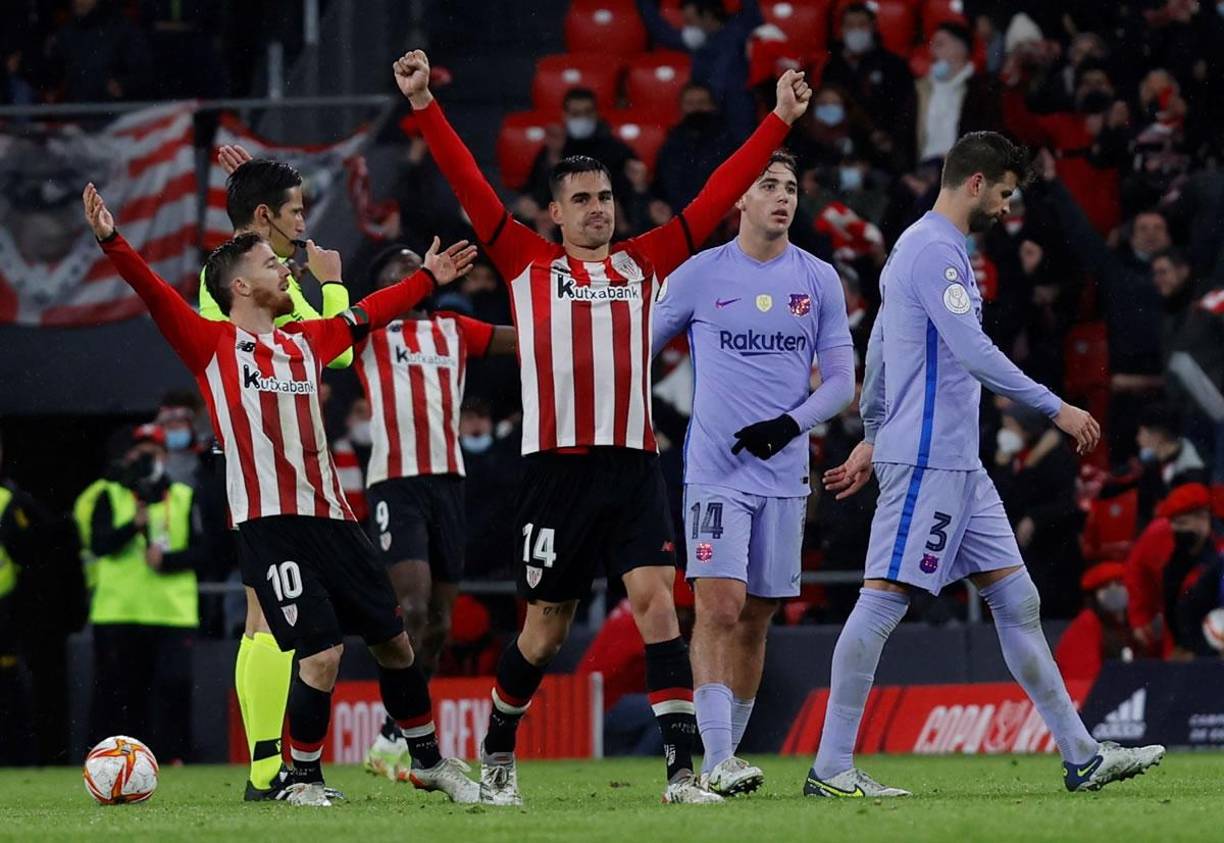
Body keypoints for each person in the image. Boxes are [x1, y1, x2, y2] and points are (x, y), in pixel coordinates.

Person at [394, 47, 811, 805]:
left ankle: (682, 773)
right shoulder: (524, 262)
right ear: (554, 211)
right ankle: (498, 750)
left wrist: (778, 117)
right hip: (555, 472)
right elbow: (471, 185)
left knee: (656, 602)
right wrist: (425, 104)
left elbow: (718, 194)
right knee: (542, 633)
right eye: (582, 198)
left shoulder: (643, 264)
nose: (597, 209)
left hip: (630, 466)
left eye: (605, 196)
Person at [82, 182, 479, 807]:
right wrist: (112, 239)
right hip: (271, 526)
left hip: (335, 519)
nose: (282, 266)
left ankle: (428, 762)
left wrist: (427, 278)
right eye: (270, 264)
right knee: (319, 654)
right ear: (239, 287)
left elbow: (368, 314)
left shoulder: (307, 342)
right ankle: (300, 778)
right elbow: (153, 294)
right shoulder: (212, 347)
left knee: (395, 643)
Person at [810, 132, 1163, 798]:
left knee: (1017, 599)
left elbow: (882, 347)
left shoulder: (916, 248)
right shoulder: (938, 251)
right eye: (1003, 193)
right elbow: (970, 349)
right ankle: (830, 765)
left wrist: (870, 433)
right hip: (927, 458)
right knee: (883, 599)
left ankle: (1082, 754)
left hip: (956, 463)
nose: (1006, 207)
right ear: (976, 183)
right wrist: (1054, 405)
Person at [651, 149, 854, 795]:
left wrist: (788, 425)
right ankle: (714, 758)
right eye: (768, 184)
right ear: (739, 197)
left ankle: (727, 757)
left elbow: (844, 382)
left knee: (759, 613)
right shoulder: (699, 274)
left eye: (791, 186)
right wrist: (645, 418)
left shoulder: (818, 278)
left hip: (786, 470)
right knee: (719, 605)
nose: (782, 196)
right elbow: (632, 353)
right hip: (714, 468)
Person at [202, 149, 357, 799]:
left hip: (277, 466)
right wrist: (333, 281)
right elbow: (340, 350)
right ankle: (268, 767)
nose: (304, 222)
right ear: (265, 217)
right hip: (260, 466)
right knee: (268, 616)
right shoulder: (254, 283)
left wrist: (252, 187)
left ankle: (270, 763)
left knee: (267, 616)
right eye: (295, 210)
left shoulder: (252, 271)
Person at [354, 244, 515, 782]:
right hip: (395, 483)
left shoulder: (454, 328)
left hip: (449, 483)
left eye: (415, 263)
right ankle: (393, 734)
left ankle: (397, 737)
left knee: (441, 624)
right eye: (400, 268)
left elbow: (522, 342)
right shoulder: (368, 333)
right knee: (413, 607)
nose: (413, 269)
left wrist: (573, 318)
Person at [74, 424, 205, 764]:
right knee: (116, 693)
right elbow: (98, 543)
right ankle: (106, 760)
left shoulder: (183, 496)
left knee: (171, 689)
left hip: (170, 611)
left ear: (165, 457)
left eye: (154, 452)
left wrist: (169, 560)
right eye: (140, 451)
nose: (146, 459)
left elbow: (209, 552)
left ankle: (172, 757)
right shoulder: (111, 493)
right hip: (120, 610)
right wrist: (132, 524)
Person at [991, 402, 1085, 619]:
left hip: (1054, 549)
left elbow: (1066, 504)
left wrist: (1034, 518)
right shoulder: (1011, 456)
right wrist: (1004, 467)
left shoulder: (1055, 455)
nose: (1006, 433)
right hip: (1023, 549)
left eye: (1011, 426)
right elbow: (1004, 498)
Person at [527, 88, 638, 208]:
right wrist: (554, 156)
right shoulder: (555, 147)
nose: (582, 118)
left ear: (596, 113)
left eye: (587, 112)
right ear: (565, 115)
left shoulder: (616, 149)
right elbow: (537, 193)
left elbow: (630, 194)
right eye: (576, 114)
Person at [1053, 562, 1136, 684]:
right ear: (1094, 596)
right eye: (1105, 586)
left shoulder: (1134, 623)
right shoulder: (1086, 623)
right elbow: (1082, 679)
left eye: (1119, 583)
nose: (1114, 591)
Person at [1135, 403, 1208, 527]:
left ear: (1158, 436)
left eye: (1141, 432)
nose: (1138, 438)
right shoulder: (1153, 463)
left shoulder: (1191, 473)